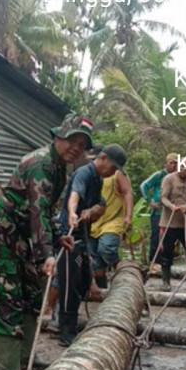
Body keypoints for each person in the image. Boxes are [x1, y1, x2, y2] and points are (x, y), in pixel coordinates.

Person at [0, 113, 93, 370]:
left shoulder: (57, 168)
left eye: (82, 145)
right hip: (2, 239)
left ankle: (25, 357)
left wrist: (57, 238)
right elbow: (36, 212)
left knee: (32, 297)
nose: (76, 148)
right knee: (8, 303)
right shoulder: (41, 163)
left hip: (24, 238)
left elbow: (45, 213)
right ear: (58, 137)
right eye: (72, 141)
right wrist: (47, 254)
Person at [55, 145, 126, 346]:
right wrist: (73, 213)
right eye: (113, 167)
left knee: (84, 279)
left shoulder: (99, 179)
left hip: (83, 236)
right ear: (103, 158)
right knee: (69, 283)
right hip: (68, 236)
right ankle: (65, 331)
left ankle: (70, 325)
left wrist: (92, 210)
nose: (114, 172)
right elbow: (74, 195)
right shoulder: (84, 174)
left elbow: (100, 205)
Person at [158, 164, 186, 291]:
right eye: (182, 167)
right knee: (166, 252)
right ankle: (165, 282)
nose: (184, 170)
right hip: (168, 223)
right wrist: (171, 206)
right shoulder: (169, 179)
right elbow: (163, 197)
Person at [89, 156, 133, 290]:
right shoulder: (90, 174)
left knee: (106, 248)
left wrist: (128, 216)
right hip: (93, 222)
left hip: (113, 219)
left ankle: (124, 269)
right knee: (96, 262)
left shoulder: (117, 174)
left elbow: (128, 192)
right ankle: (103, 291)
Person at [140, 153, 178, 268]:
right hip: (158, 211)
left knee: (169, 237)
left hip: (172, 212)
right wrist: (149, 201)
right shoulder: (159, 175)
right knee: (156, 236)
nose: (174, 166)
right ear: (166, 164)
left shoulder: (178, 176)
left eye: (176, 163)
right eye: (171, 163)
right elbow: (144, 186)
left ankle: (166, 261)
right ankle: (154, 261)